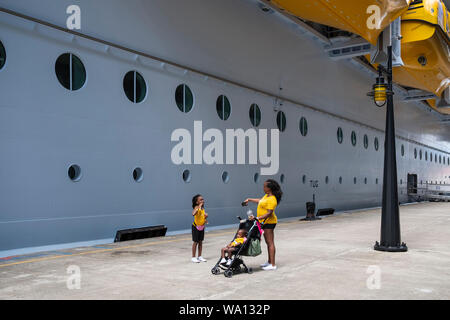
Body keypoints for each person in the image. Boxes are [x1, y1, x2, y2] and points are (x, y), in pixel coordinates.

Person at [243, 179, 282, 271]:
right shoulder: (267, 196)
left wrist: (257, 218)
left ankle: (272, 264)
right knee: (268, 243)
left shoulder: (272, 199)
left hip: (269, 223)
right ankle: (269, 261)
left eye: (265, 186)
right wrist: (249, 199)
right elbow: (260, 201)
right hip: (264, 222)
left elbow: (269, 213)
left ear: (269, 188)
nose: (263, 188)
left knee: (270, 243)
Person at [191, 194, 208, 263]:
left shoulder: (202, 209)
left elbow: (201, 217)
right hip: (195, 227)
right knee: (195, 242)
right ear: (197, 202)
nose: (202, 200)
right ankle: (193, 257)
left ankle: (200, 256)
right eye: (201, 200)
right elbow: (193, 214)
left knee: (200, 242)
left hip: (201, 227)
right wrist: (198, 207)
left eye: (203, 199)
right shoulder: (196, 207)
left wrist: (205, 218)